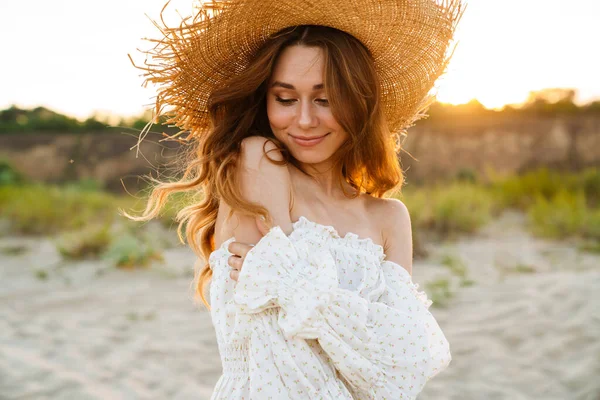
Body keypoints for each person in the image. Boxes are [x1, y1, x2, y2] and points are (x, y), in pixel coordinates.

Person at [126, 0, 464, 398]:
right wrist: (355, 330)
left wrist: (292, 281)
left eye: (325, 99)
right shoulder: (258, 161)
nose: (304, 120)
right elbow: (278, 352)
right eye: (285, 99)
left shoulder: (390, 217)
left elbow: (403, 369)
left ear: (359, 101)